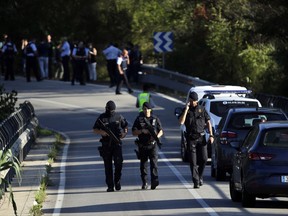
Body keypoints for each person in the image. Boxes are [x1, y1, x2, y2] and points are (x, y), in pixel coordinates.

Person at [178, 91, 214, 189]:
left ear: (197, 101)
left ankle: (200, 176)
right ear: (189, 100)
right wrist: (186, 110)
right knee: (193, 162)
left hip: (201, 138)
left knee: (204, 159)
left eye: (194, 101)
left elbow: (208, 122)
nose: (192, 102)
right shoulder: (186, 110)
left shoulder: (202, 109)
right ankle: (196, 181)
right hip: (191, 139)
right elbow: (181, 122)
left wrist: (211, 135)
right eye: (191, 100)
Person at [93, 100, 128, 192]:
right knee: (108, 166)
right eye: (109, 110)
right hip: (106, 145)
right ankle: (110, 185)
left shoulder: (119, 117)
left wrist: (124, 134)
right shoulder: (102, 118)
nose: (110, 112)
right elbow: (95, 129)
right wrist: (102, 132)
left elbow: (126, 127)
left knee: (119, 164)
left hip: (117, 144)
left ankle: (117, 181)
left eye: (112, 110)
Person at [132, 102, 164, 190]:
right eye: (144, 109)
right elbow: (133, 132)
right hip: (143, 145)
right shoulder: (139, 119)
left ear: (150, 109)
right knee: (143, 165)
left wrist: (156, 136)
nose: (146, 111)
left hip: (153, 145)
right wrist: (142, 131)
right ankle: (145, 182)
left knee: (154, 164)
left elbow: (161, 130)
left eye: (147, 109)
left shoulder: (155, 118)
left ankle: (154, 181)